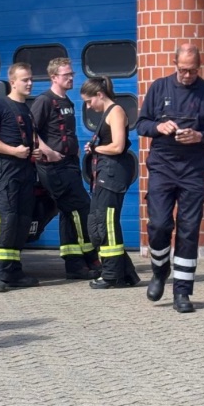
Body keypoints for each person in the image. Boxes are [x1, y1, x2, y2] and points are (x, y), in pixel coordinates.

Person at [136, 43, 204, 315]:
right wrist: (158, 127)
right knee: (160, 225)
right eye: (183, 70)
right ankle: (160, 270)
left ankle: (183, 292)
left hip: (192, 169)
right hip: (162, 167)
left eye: (193, 71)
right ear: (175, 64)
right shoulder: (159, 88)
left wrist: (200, 136)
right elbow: (141, 124)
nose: (187, 76)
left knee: (188, 230)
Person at [31, 58, 100, 281]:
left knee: (68, 214)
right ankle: (90, 257)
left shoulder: (67, 101)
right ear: (54, 77)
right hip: (53, 167)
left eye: (71, 74)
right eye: (66, 75)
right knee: (81, 208)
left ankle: (74, 264)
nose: (71, 78)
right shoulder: (44, 101)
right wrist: (47, 151)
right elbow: (31, 131)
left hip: (69, 164)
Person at [0, 62, 40, 293]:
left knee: (22, 221)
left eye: (31, 79)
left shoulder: (26, 109)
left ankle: (14, 272)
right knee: (6, 220)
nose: (29, 83)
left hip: (25, 171)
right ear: (12, 82)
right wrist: (13, 151)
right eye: (24, 79)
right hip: (5, 169)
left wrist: (33, 151)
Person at [80, 76, 139, 289]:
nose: (88, 106)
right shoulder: (107, 113)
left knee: (107, 225)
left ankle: (113, 276)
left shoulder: (116, 112)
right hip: (104, 175)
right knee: (97, 224)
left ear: (99, 95)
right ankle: (127, 273)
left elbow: (117, 146)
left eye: (89, 101)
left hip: (113, 177)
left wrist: (95, 149)